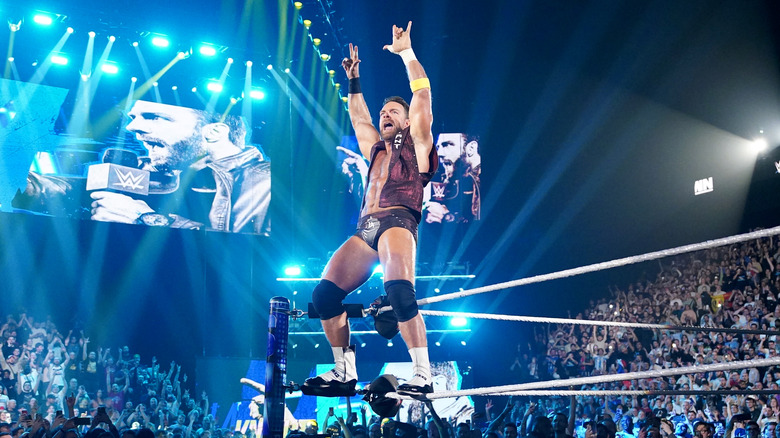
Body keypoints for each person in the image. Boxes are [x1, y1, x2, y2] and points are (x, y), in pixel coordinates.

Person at [301, 21, 437, 397]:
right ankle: (344, 372)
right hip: (366, 228)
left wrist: (406, 54)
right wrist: (354, 80)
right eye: (385, 111)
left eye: (394, 111)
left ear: (407, 120)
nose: (386, 114)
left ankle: (422, 374)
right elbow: (359, 117)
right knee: (324, 296)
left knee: (400, 294)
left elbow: (422, 98)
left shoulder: (418, 144)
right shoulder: (376, 148)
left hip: (398, 219)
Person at [424, 133, 480, 224]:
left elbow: (484, 226)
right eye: (438, 147)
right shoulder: (454, 176)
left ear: (471, 148)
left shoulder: (486, 181)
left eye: (447, 145)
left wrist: (446, 216)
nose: (440, 154)